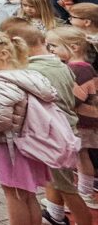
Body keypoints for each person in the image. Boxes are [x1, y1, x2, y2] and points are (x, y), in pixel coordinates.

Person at [3, 19, 93, 224]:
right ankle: (56, 215)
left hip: (54, 137)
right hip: (61, 132)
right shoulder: (58, 64)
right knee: (57, 182)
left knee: (68, 189)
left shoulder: (36, 71)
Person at [0, 28, 58, 225]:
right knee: (27, 195)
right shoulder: (22, 74)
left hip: (9, 146)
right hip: (26, 143)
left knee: (14, 196)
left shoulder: (0, 81)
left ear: (3, 54)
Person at [47, 26, 98, 216]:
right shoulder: (84, 66)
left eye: (54, 46)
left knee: (79, 157)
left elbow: (74, 98)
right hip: (87, 119)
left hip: (81, 121)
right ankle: (84, 191)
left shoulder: (76, 69)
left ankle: (83, 193)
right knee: (81, 156)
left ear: (74, 47)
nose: (50, 50)